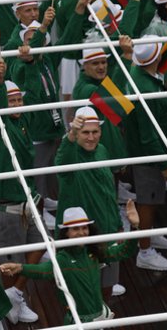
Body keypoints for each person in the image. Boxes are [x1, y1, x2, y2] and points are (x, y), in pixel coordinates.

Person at [10, 0, 92, 210]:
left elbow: (68, 38)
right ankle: (39, 207)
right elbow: (29, 56)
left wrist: (79, 9)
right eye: (27, 40)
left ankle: (48, 202)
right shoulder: (20, 66)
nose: (30, 44)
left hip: (52, 124)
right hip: (35, 126)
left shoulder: (48, 58)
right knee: (38, 170)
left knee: (52, 166)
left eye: (34, 39)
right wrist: (43, 26)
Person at [0, 202, 139, 324]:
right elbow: (44, 271)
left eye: (84, 228)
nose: (82, 233)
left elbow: (124, 251)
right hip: (77, 323)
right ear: (66, 233)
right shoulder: (63, 259)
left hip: (99, 320)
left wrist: (134, 227)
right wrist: (20, 268)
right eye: (76, 229)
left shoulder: (94, 252)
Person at [0, 59, 44, 324]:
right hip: (6, 208)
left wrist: (31, 61)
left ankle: (15, 295)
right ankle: (6, 308)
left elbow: (36, 88)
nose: (17, 105)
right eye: (13, 101)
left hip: (25, 203)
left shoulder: (22, 123)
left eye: (20, 100)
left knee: (41, 245)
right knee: (9, 264)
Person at [54, 107, 127, 297]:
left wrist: (118, 225)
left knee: (107, 287)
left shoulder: (102, 150)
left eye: (95, 132)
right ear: (76, 133)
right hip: (80, 236)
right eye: (85, 132)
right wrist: (70, 137)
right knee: (81, 293)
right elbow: (61, 166)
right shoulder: (71, 153)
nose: (91, 137)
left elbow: (109, 191)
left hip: (107, 230)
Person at [124, 35, 167, 271]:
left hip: (142, 151)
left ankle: (149, 235)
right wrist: (165, 164)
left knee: (153, 198)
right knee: (147, 201)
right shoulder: (146, 89)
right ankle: (144, 250)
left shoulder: (138, 75)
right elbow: (148, 136)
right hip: (149, 157)